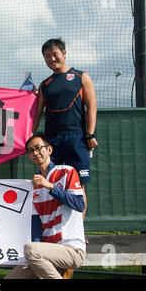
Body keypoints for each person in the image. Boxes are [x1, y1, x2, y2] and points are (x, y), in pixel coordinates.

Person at [32, 38, 98, 218]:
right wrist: (31, 137)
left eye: (55, 54)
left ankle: (78, 233)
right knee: (47, 181)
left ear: (64, 53)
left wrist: (90, 134)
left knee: (78, 185)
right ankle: (50, 226)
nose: (52, 59)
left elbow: (91, 107)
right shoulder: (45, 85)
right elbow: (36, 114)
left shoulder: (81, 77)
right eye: (47, 56)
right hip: (51, 141)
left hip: (76, 139)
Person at [5, 134, 86, 279]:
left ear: (49, 150)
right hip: (45, 253)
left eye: (38, 148)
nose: (35, 153)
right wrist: (33, 258)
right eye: (31, 151)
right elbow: (36, 229)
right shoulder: (33, 187)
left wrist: (50, 186)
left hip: (71, 248)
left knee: (30, 249)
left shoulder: (67, 171)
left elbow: (79, 204)